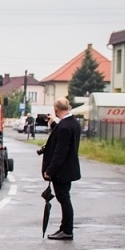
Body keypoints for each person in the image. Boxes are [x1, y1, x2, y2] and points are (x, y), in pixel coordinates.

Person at [40, 96, 81, 241]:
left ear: (56, 109)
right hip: (68, 168)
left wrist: (50, 170)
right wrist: (53, 125)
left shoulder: (64, 126)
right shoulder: (72, 123)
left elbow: (60, 151)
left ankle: (67, 230)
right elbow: (62, 138)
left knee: (64, 199)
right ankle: (64, 228)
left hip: (62, 171)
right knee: (64, 198)